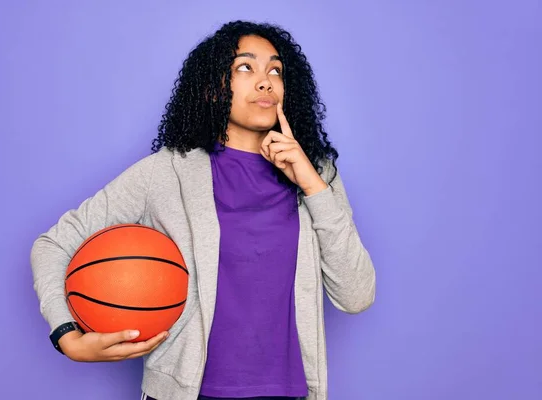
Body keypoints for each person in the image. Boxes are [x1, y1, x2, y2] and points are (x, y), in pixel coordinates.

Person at [30, 20, 376, 400]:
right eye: (245, 67)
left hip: (287, 393)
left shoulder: (318, 176)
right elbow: (53, 244)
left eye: (275, 70)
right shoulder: (167, 172)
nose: (265, 82)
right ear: (212, 88)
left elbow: (356, 296)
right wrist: (66, 335)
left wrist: (311, 184)